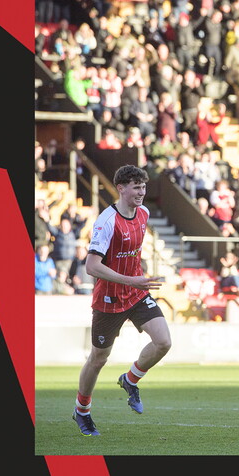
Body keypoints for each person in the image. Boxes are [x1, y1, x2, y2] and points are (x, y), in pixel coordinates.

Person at [72, 165, 169, 436]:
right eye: (135, 187)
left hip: (136, 293)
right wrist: (131, 280)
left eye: (143, 187)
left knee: (163, 341)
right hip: (109, 298)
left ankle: (130, 379)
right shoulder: (106, 221)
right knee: (99, 358)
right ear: (121, 188)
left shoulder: (145, 213)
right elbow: (92, 266)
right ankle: (82, 411)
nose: (141, 192)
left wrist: (136, 280)